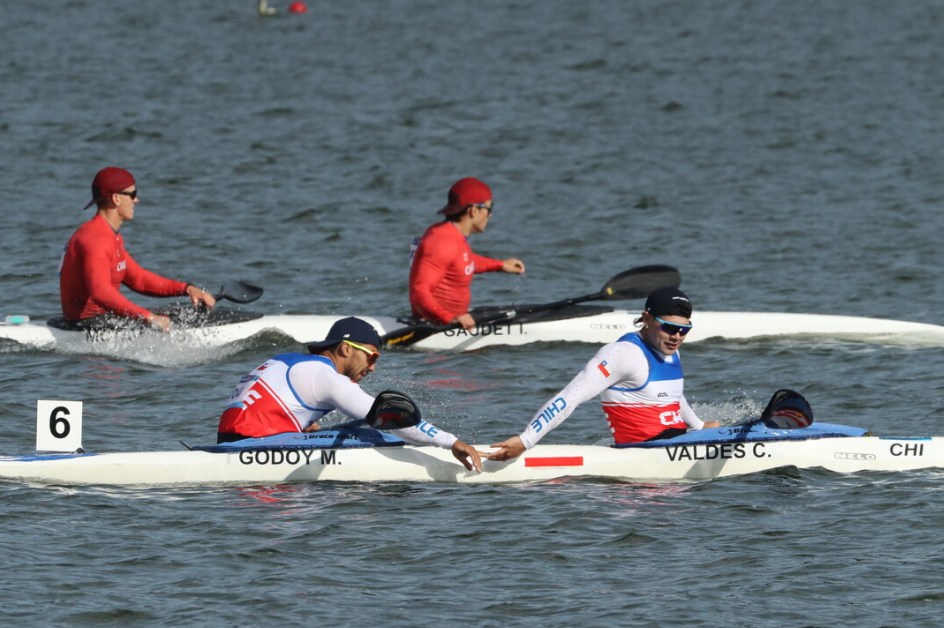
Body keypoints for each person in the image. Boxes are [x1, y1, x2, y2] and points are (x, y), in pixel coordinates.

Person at [217, 317, 485, 471]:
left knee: (354, 425)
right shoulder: (326, 377)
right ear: (346, 349)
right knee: (371, 432)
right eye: (371, 357)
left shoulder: (289, 360)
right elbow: (393, 418)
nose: (373, 367)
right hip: (255, 454)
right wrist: (450, 442)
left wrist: (300, 422)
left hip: (229, 443)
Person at [489, 287, 721, 460]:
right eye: (670, 328)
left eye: (684, 330)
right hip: (644, 455)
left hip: (677, 446)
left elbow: (671, 395)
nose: (677, 336)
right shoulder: (622, 355)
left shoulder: (670, 349)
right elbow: (571, 396)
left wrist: (698, 426)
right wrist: (526, 440)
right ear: (647, 319)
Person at [59, 166, 216, 333]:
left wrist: (187, 288)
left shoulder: (110, 236)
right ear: (116, 199)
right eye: (132, 194)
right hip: (86, 325)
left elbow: (139, 280)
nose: (136, 200)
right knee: (171, 320)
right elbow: (100, 292)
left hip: (104, 320)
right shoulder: (96, 240)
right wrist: (148, 317)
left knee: (180, 315)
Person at [408, 177, 525, 333]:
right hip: (439, 331)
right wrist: (449, 318)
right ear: (473, 210)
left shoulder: (451, 236)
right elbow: (419, 291)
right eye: (489, 209)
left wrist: (500, 265)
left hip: (452, 321)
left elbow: (462, 261)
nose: (490, 215)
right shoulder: (441, 241)